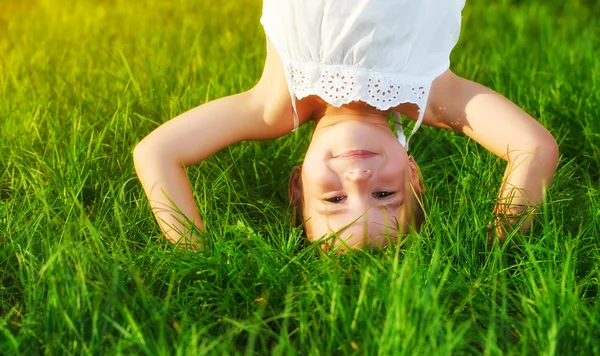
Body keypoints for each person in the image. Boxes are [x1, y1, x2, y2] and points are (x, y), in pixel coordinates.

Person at [133, 0, 559, 249]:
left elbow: (155, 153)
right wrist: (498, 246)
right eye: (384, 194)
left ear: (298, 184)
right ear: (414, 174)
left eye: (334, 200)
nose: (357, 177)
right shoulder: (435, 97)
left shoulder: (274, 105)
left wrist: (198, 254)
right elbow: (534, 148)